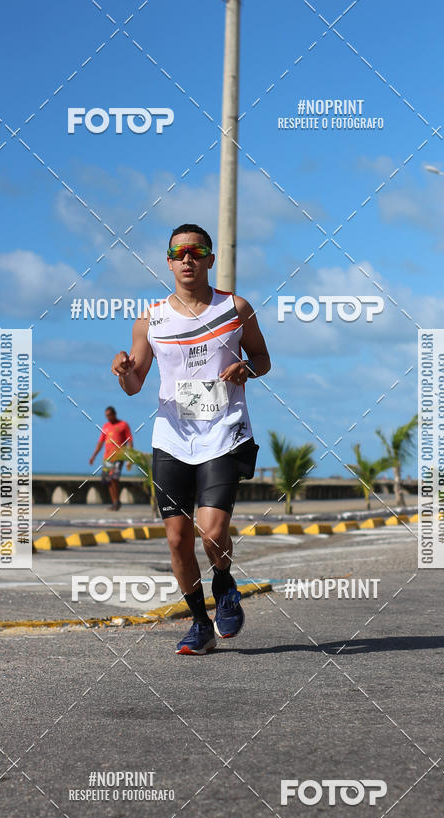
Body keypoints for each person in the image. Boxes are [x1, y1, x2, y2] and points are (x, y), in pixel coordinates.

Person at [111, 223, 270, 654]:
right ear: (168, 261)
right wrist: (126, 372)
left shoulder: (236, 308)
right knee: (178, 539)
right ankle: (200, 624)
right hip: (173, 438)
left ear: (209, 259)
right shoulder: (150, 320)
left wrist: (246, 369)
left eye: (197, 251)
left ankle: (224, 582)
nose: (188, 259)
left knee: (211, 531)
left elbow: (262, 359)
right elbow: (136, 383)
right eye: (179, 252)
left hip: (223, 431)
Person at [89, 406, 133, 511]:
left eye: (109, 415)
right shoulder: (105, 426)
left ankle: (117, 501)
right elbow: (100, 442)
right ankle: (115, 502)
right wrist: (93, 456)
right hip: (107, 458)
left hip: (119, 456)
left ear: (114, 414)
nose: (108, 417)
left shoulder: (123, 425)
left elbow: (130, 441)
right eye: (106, 416)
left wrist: (130, 458)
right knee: (107, 480)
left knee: (114, 478)